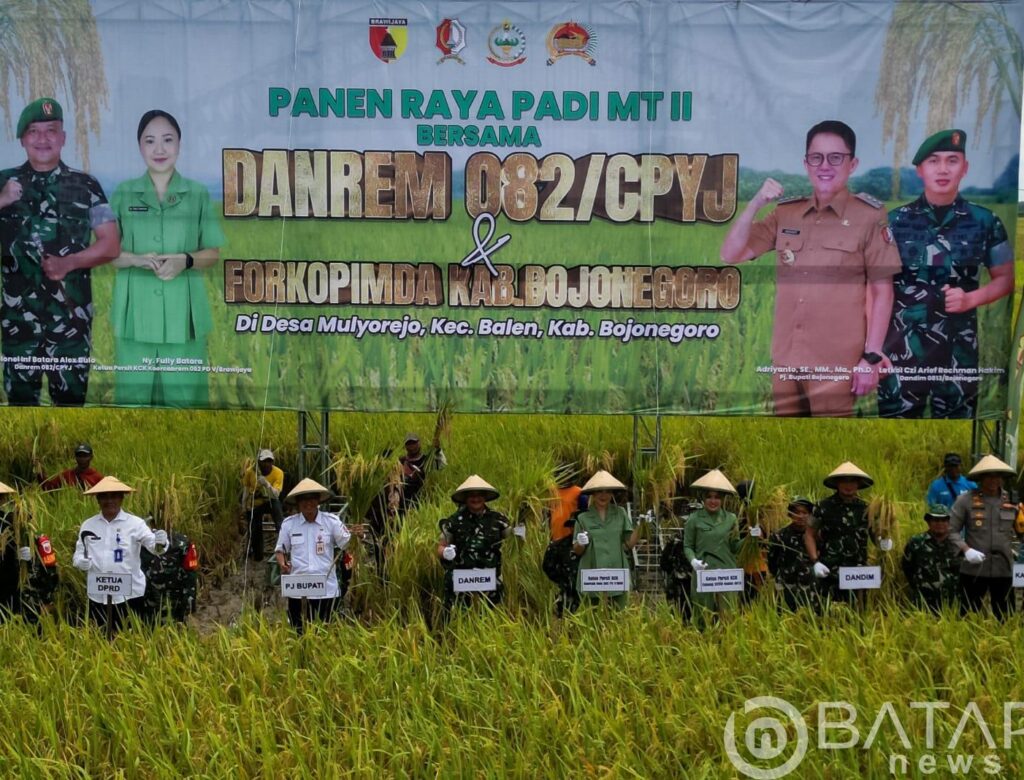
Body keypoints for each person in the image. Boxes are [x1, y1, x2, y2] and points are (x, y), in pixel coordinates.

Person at [720, 120, 901, 417]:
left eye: (835, 157)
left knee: (829, 440)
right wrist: (756, 203)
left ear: (852, 164)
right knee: (786, 438)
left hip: (836, 364)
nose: (824, 166)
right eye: (816, 157)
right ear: (806, 163)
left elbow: (883, 292)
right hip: (786, 358)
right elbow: (731, 253)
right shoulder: (786, 213)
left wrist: (871, 357)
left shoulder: (869, 216)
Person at [879, 129, 1014, 419]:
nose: (943, 169)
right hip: (902, 349)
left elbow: (1005, 278)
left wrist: (971, 299)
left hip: (958, 351)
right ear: (920, 170)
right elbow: (876, 287)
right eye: (933, 161)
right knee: (896, 423)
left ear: (965, 168)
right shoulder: (894, 222)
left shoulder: (985, 221)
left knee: (958, 422)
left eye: (952, 160)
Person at [0, 97, 120, 405]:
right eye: (34, 131)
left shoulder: (86, 185)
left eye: (51, 130)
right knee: (20, 406)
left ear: (63, 137)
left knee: (70, 404)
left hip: (70, 321)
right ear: (22, 139)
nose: (43, 139)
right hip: (18, 322)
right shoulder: (3, 181)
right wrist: (2, 200)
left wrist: (70, 263)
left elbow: (110, 243)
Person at [109, 110, 225, 407]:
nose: (159, 149)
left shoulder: (197, 194)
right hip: (135, 316)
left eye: (167, 140)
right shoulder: (123, 194)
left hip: (183, 317)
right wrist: (136, 259)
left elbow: (212, 253)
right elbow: (108, 253)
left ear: (179, 144)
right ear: (139, 146)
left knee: (186, 404)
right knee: (132, 405)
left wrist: (185, 260)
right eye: (150, 141)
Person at [72, 476, 168, 631]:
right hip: (98, 594)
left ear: (121, 498)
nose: (109, 500)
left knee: (131, 637)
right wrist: (80, 562)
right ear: (98, 499)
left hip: (130, 595)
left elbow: (154, 548)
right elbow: (78, 554)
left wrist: (160, 542)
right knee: (100, 637)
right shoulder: (88, 525)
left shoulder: (135, 524)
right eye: (104, 496)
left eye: (114, 496)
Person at [805, 462, 893, 604]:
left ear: (858, 484)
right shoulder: (823, 506)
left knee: (858, 608)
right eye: (844, 481)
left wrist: (883, 543)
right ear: (837, 483)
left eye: (852, 481)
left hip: (858, 572)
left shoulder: (867, 508)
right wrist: (815, 562)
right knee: (829, 608)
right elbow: (809, 534)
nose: (848, 485)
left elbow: (875, 535)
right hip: (830, 569)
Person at [274, 478, 351, 632]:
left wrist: (359, 536)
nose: (308, 503)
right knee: (298, 632)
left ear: (318, 500)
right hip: (298, 589)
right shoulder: (289, 524)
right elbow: (280, 550)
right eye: (303, 499)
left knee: (327, 632)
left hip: (326, 589)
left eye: (312, 499)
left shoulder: (332, 522)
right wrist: (282, 563)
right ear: (298, 502)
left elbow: (347, 543)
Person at [949, 455, 1020, 620]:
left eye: (997, 476)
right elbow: (951, 530)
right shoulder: (965, 500)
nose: (993, 480)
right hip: (974, 568)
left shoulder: (1011, 501)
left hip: (1003, 568)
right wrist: (966, 550)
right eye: (989, 476)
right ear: (980, 478)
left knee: (1005, 617)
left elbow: (1020, 532)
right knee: (968, 615)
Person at [437, 475, 522, 612]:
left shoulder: (498, 519)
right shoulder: (454, 521)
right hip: (462, 578)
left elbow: (513, 538)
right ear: (465, 498)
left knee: (491, 614)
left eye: (479, 495)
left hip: (489, 578)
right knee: (458, 614)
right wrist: (446, 553)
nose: (475, 499)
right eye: (471, 495)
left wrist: (522, 525)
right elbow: (440, 547)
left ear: (485, 497)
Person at [683, 469, 749, 625]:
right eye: (709, 497)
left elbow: (735, 547)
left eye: (717, 497)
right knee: (703, 618)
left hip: (727, 574)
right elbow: (688, 546)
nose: (713, 501)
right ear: (703, 499)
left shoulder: (731, 519)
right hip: (704, 574)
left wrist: (750, 539)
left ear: (723, 499)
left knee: (728, 618)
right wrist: (693, 561)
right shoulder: (694, 519)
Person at [572, 471, 640, 610]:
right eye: (599, 491)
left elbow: (628, 544)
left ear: (612, 494)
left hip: (616, 573)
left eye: (607, 491)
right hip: (592, 574)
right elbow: (577, 551)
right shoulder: (583, 518)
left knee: (619, 613)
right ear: (593, 494)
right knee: (592, 615)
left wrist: (641, 525)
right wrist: (580, 543)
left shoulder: (620, 513)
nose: (603, 495)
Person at [0, 480, 59, 622]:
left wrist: (31, 555)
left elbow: (47, 566)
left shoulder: (11, 521)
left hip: (10, 586)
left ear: (3, 499)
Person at [542, 465, 587, 616]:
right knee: (549, 566)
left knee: (572, 573)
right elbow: (547, 514)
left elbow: (584, 513)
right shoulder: (551, 493)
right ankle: (563, 593)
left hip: (571, 538)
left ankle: (572, 606)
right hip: (555, 538)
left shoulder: (579, 493)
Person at [901, 505, 963, 613]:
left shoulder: (959, 545)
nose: (940, 523)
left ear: (949, 522)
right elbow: (907, 567)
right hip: (923, 604)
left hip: (953, 605)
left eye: (943, 520)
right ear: (928, 522)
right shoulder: (916, 542)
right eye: (936, 520)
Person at [766, 496, 818, 611]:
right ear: (790, 515)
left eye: (804, 513)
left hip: (811, 588)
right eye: (797, 512)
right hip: (786, 587)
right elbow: (772, 561)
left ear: (810, 515)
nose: (800, 516)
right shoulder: (779, 536)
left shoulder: (817, 536)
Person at [241, 448, 285, 560]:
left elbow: (276, 495)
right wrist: (244, 506)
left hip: (270, 501)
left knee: (278, 511)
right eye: (264, 461)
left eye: (269, 461)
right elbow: (246, 491)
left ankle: (283, 543)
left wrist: (266, 484)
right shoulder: (250, 472)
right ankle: (258, 556)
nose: (267, 464)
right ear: (259, 462)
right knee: (255, 528)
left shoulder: (278, 473)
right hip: (256, 503)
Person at [399, 432, 447, 513]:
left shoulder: (426, 460)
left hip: (420, 498)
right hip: (402, 500)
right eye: (409, 444)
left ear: (419, 443)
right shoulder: (401, 461)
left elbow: (442, 465)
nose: (412, 446)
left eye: (414, 443)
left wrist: (438, 449)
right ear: (405, 446)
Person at [36, 441, 104, 491]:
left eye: (85, 456)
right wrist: (40, 472)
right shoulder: (66, 475)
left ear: (91, 457)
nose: (82, 459)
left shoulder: (97, 477)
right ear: (75, 457)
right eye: (79, 456)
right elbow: (48, 488)